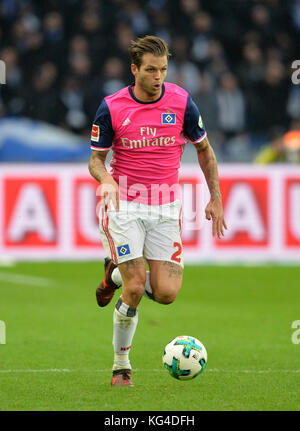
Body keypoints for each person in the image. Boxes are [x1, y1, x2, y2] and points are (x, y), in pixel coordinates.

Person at [88, 35, 227, 387]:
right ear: (134, 69)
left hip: (166, 207)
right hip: (124, 205)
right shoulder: (113, 106)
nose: (158, 77)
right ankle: (122, 367)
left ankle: (112, 276)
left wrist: (216, 198)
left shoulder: (181, 102)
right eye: (151, 70)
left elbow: (205, 150)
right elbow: (95, 160)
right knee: (135, 286)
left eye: (163, 70)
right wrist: (106, 179)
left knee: (165, 294)